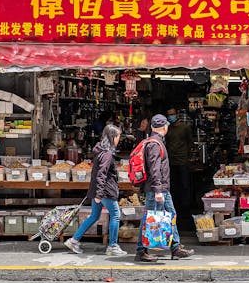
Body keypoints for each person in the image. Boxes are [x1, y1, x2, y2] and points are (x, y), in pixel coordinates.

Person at [135, 114, 194, 262]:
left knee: (171, 215)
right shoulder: (155, 144)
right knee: (148, 218)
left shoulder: (157, 141)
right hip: (158, 189)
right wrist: (158, 190)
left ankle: (176, 248)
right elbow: (155, 169)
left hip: (161, 188)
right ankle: (141, 250)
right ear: (164, 127)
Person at [64, 124, 126, 256]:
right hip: (105, 191)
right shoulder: (107, 154)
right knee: (115, 215)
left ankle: (74, 240)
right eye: (118, 137)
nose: (118, 140)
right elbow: (101, 174)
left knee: (94, 216)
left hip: (98, 190)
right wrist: (99, 194)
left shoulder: (100, 151)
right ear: (112, 137)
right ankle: (113, 246)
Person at [164, 107, 194, 231]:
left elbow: (190, 143)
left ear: (177, 114)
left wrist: (188, 157)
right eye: (168, 115)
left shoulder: (185, 128)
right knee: (174, 186)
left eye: (172, 114)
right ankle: (175, 208)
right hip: (171, 161)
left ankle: (185, 210)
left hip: (182, 161)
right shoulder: (168, 129)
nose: (170, 117)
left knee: (185, 185)